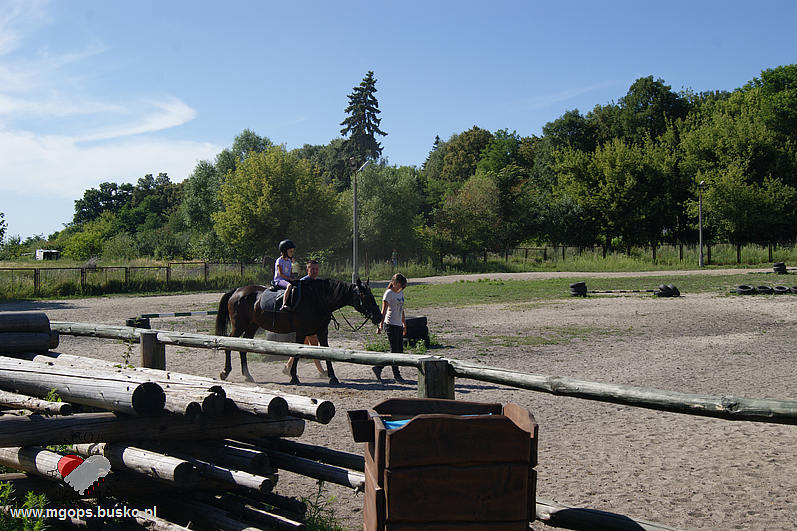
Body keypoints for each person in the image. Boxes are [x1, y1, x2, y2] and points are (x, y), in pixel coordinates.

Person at [283, 260, 327, 377]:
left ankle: (288, 367)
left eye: (316, 269)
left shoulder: (316, 282)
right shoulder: (302, 283)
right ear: (307, 270)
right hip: (306, 322)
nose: (315, 271)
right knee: (313, 344)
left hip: (311, 321)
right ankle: (321, 371)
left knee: (305, 343)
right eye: (312, 269)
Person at [374, 273, 407, 383]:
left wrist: (404, 324)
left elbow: (401, 309)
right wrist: (380, 325)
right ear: (395, 283)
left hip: (398, 324)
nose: (401, 288)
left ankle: (378, 367)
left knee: (399, 351)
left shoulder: (400, 293)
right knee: (394, 351)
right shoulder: (388, 293)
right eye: (400, 285)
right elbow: (383, 311)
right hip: (390, 324)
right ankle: (397, 375)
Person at [274, 240, 295, 310]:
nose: (292, 253)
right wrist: (289, 279)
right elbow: (281, 274)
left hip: (286, 279)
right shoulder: (279, 261)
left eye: (293, 251)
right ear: (285, 252)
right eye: (290, 251)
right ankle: (284, 304)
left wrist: (294, 277)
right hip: (279, 280)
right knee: (289, 286)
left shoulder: (289, 261)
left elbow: (290, 273)